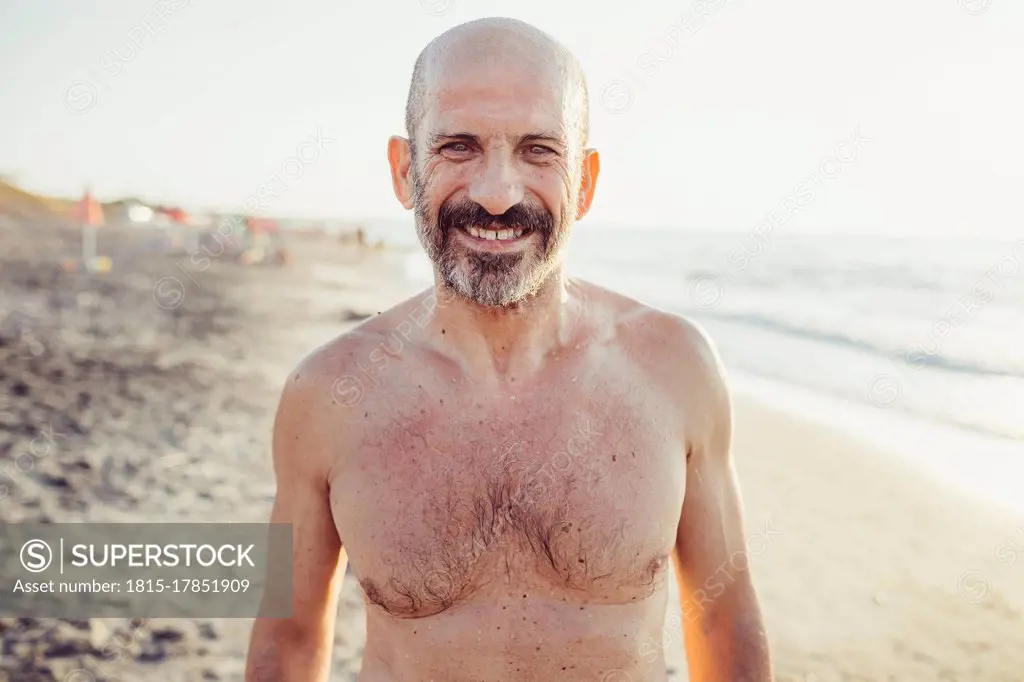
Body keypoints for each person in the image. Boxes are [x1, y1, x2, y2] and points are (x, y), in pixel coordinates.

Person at [245, 17, 773, 682]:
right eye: (459, 147)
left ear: (584, 181)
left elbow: (724, 617)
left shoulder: (676, 368)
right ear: (405, 170)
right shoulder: (325, 394)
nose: (498, 193)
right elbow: (286, 643)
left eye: (538, 151)